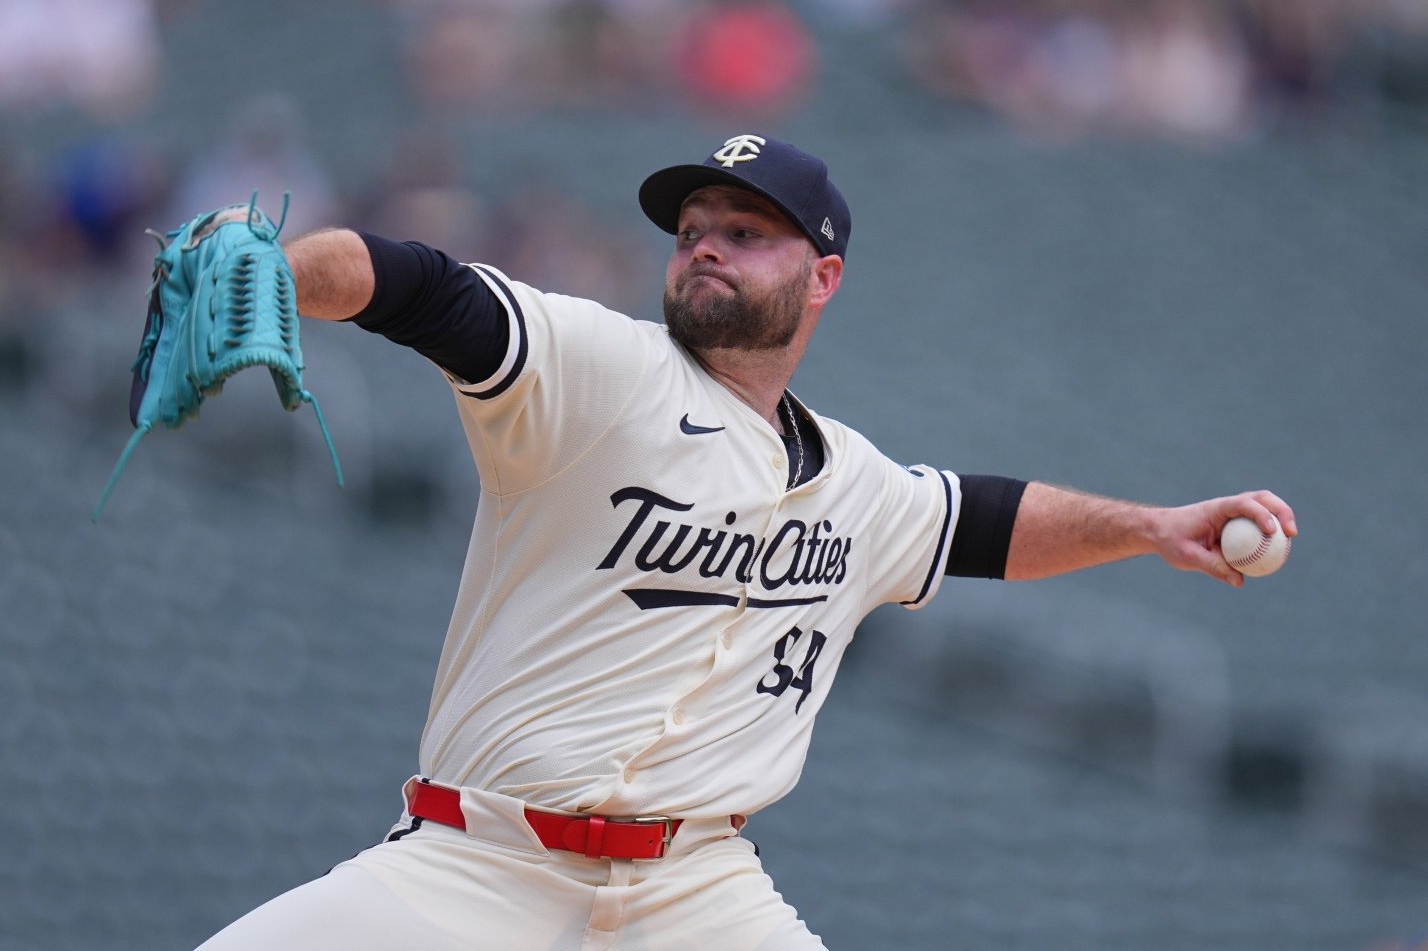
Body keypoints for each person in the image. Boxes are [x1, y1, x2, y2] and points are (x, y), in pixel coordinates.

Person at [196, 133, 1297, 950]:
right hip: (479, 865)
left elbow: (984, 521)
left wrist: (1153, 528)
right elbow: (421, 289)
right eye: (690, 233)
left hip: (695, 892)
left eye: (745, 233)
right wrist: (280, 273)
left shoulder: (856, 482)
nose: (705, 249)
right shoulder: (599, 371)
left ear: (823, 277)